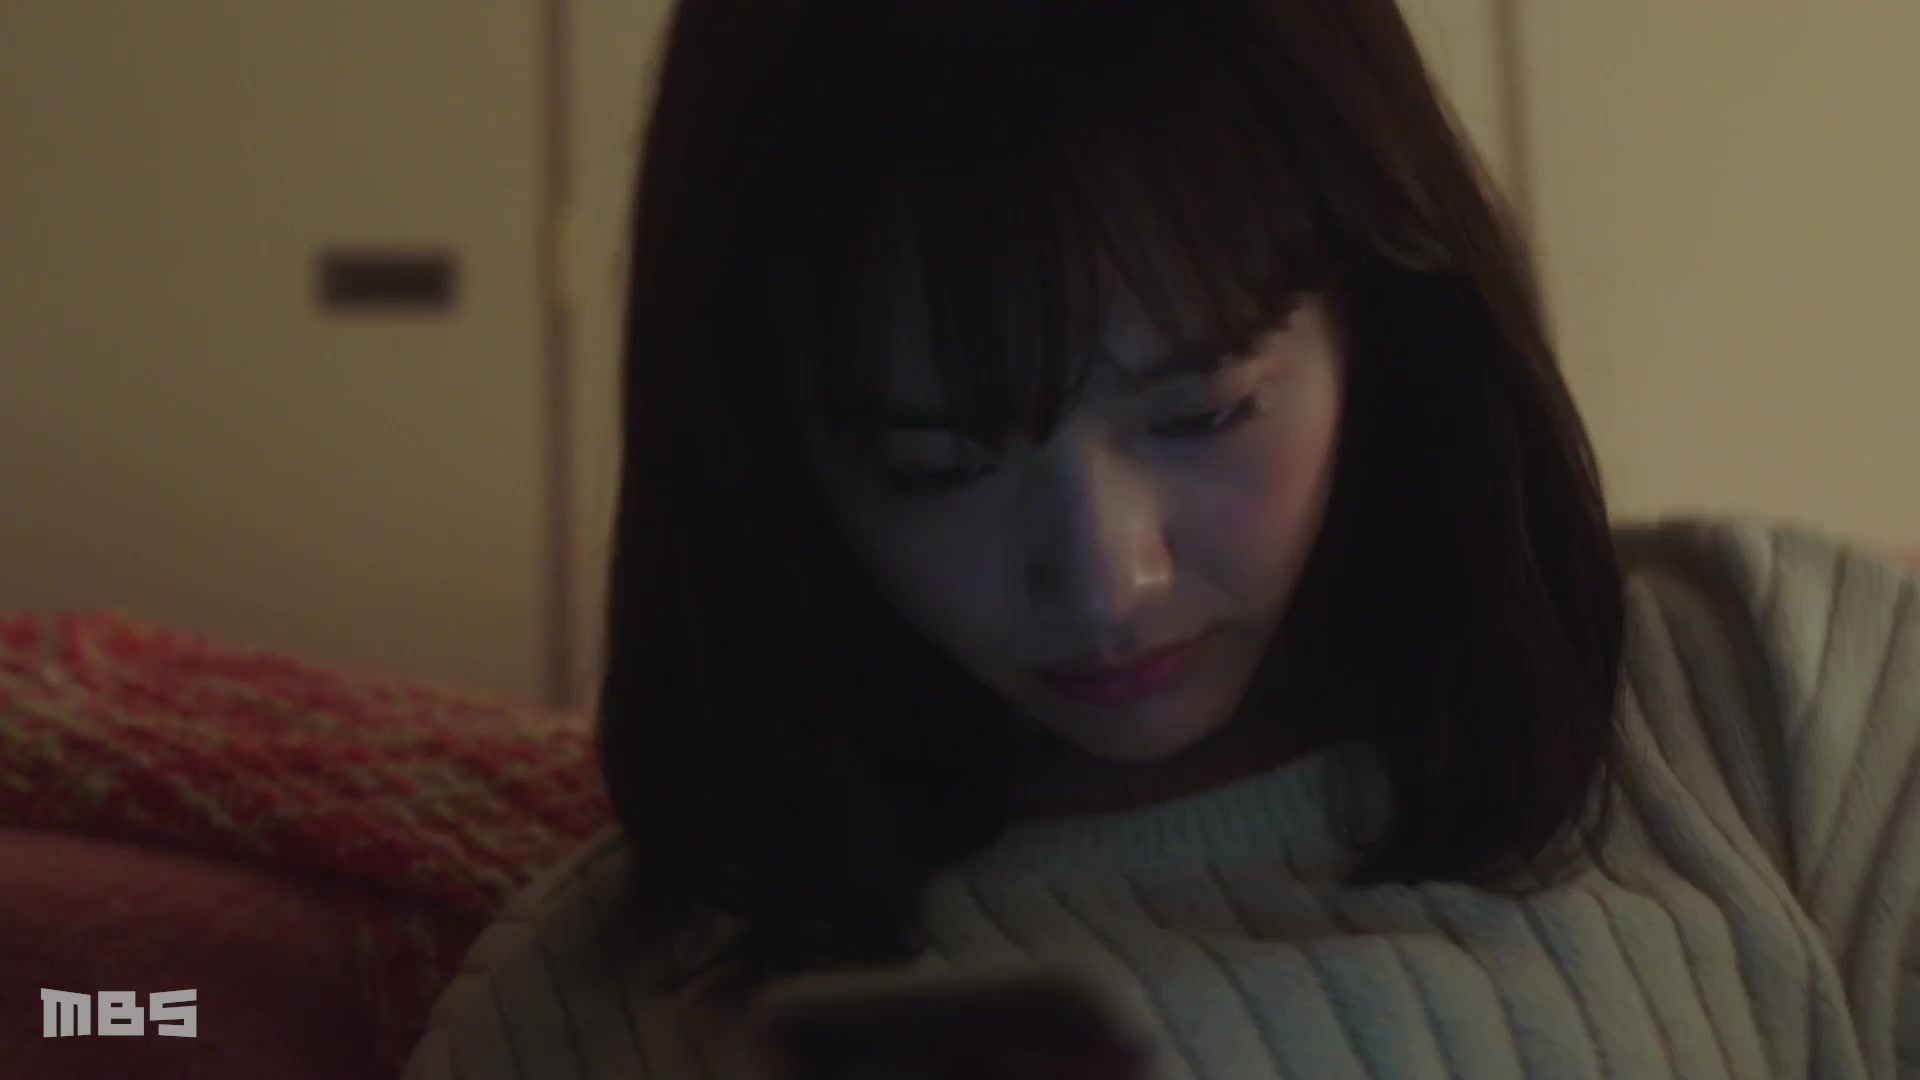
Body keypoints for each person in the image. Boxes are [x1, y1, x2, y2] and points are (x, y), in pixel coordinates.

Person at [403, 0, 1920, 1076]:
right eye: (933, 464)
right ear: (774, 460)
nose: (1105, 579)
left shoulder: (1775, 696)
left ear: (1378, 323)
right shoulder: (591, 1003)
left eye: (1204, 413)